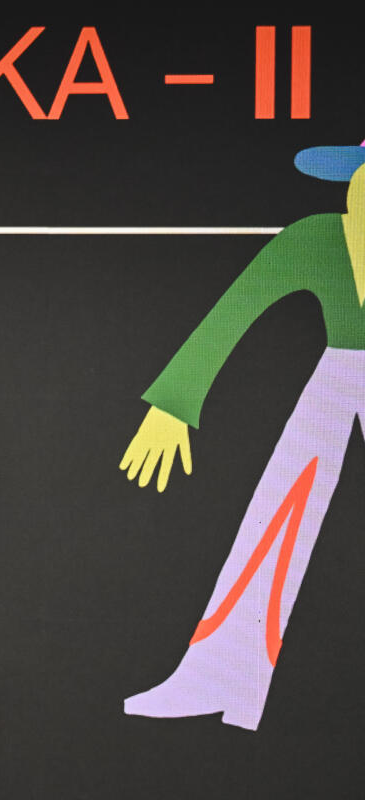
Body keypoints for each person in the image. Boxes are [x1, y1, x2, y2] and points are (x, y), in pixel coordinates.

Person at [121, 142, 365, 729]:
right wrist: (175, 402)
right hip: (340, 370)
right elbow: (239, 305)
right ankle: (220, 676)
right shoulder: (320, 237)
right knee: (277, 512)